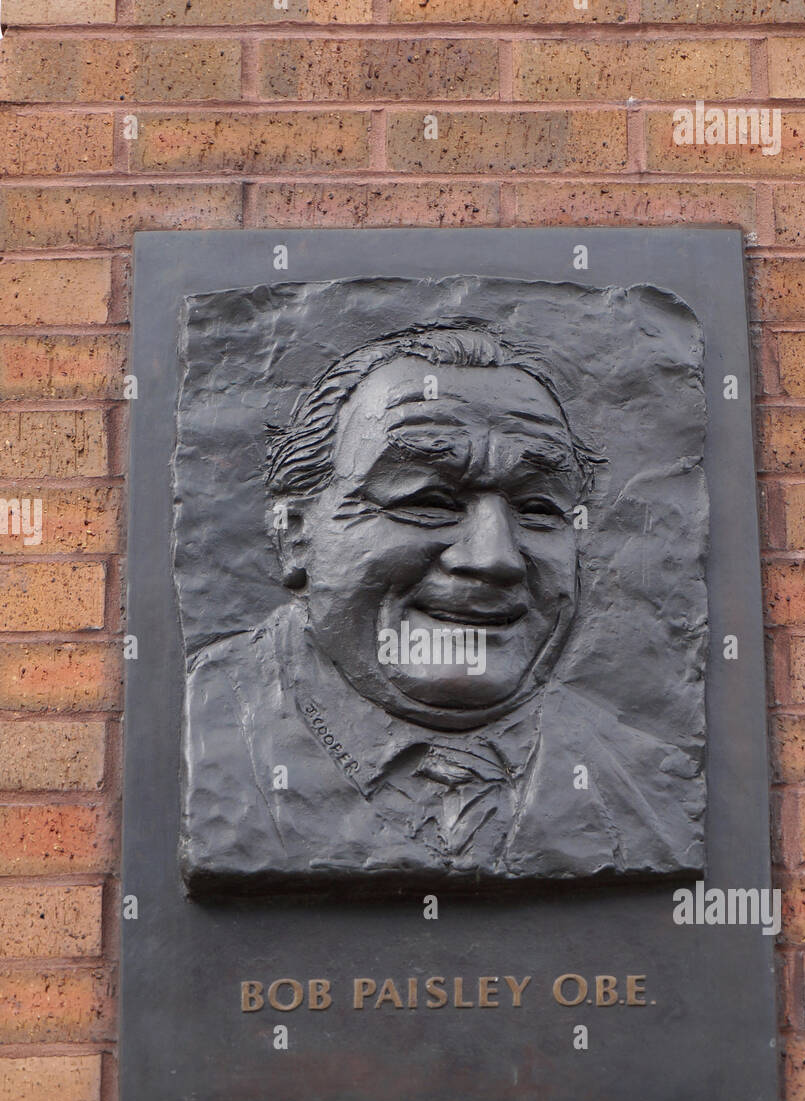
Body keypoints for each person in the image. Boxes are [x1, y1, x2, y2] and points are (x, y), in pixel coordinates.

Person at [180, 322, 705, 892]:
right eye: (427, 501)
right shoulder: (201, 736)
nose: (495, 558)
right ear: (295, 536)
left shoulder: (653, 789)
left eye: (538, 509)